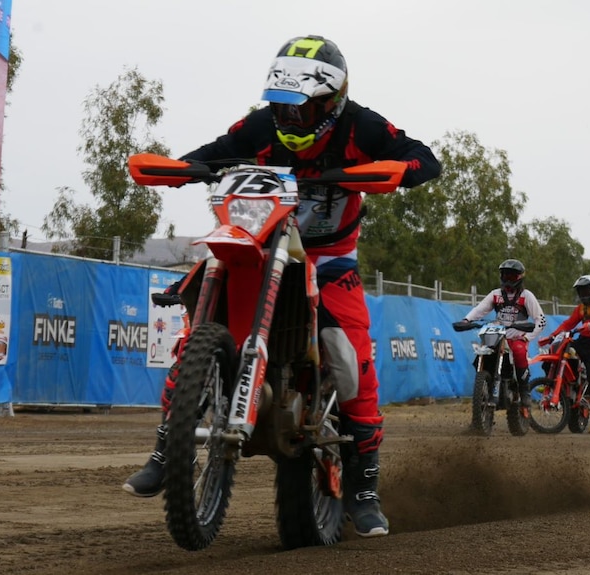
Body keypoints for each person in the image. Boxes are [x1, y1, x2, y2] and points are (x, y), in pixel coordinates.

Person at [122, 35, 442, 539]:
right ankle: (167, 447)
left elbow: (424, 158)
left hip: (330, 259)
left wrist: (397, 170)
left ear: (331, 102)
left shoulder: (362, 126)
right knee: (196, 310)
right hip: (261, 243)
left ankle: (363, 488)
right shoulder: (260, 125)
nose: (287, 119)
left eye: (299, 109)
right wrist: (185, 169)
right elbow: (217, 151)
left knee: (351, 356)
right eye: (280, 107)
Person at [457, 259, 547, 415]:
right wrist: (467, 320)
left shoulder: (526, 296)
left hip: (517, 336)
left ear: (519, 277)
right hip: (498, 334)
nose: (508, 279)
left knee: (519, 352)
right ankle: (484, 386)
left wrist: (528, 337)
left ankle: (524, 392)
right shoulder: (495, 295)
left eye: (512, 276)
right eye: (505, 275)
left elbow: (541, 320)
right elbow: (480, 310)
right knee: (482, 351)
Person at [547, 274, 590, 434]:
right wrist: (552, 336)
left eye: (586, 291)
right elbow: (568, 324)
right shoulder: (580, 309)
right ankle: (553, 383)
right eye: (581, 292)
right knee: (557, 349)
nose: (583, 295)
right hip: (581, 341)